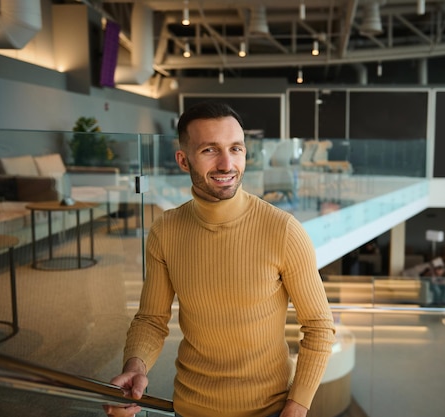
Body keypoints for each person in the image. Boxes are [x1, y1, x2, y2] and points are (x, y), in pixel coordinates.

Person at [104, 101, 336, 417]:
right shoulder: (166, 231)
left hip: (269, 410)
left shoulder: (282, 230)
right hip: (191, 408)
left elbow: (319, 326)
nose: (227, 164)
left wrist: (297, 406)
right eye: (210, 151)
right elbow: (151, 319)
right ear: (183, 161)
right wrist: (136, 364)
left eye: (236, 149)